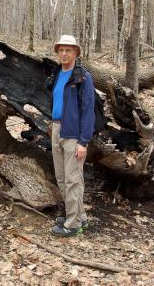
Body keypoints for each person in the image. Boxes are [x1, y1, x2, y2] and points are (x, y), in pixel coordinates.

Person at [45, 35, 95, 237]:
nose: (64, 54)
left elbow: (88, 109)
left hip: (74, 134)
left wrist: (83, 142)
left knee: (73, 179)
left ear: (76, 53)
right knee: (62, 178)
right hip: (56, 129)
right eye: (61, 50)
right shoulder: (57, 73)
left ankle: (72, 225)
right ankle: (78, 217)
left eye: (69, 50)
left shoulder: (82, 76)